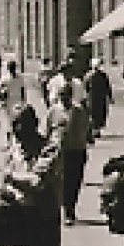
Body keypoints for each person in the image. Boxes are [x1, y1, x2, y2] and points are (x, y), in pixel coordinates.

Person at [4, 104, 64, 246]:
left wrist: (11, 177)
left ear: (35, 124)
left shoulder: (49, 149)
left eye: (23, 123)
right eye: (15, 124)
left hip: (42, 217)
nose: (18, 129)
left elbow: (38, 182)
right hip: (17, 217)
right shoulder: (14, 150)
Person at [47, 81, 91, 227]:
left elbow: (86, 128)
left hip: (77, 149)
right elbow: (48, 131)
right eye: (62, 96)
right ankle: (66, 209)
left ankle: (70, 207)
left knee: (75, 180)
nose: (64, 99)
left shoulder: (79, 110)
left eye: (67, 95)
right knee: (62, 181)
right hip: (60, 151)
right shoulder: (53, 111)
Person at [84, 61, 113, 142]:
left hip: (101, 97)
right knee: (93, 113)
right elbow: (85, 87)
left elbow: (107, 86)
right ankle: (94, 129)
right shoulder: (89, 76)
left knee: (101, 113)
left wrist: (110, 96)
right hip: (92, 97)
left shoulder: (103, 76)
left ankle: (97, 129)